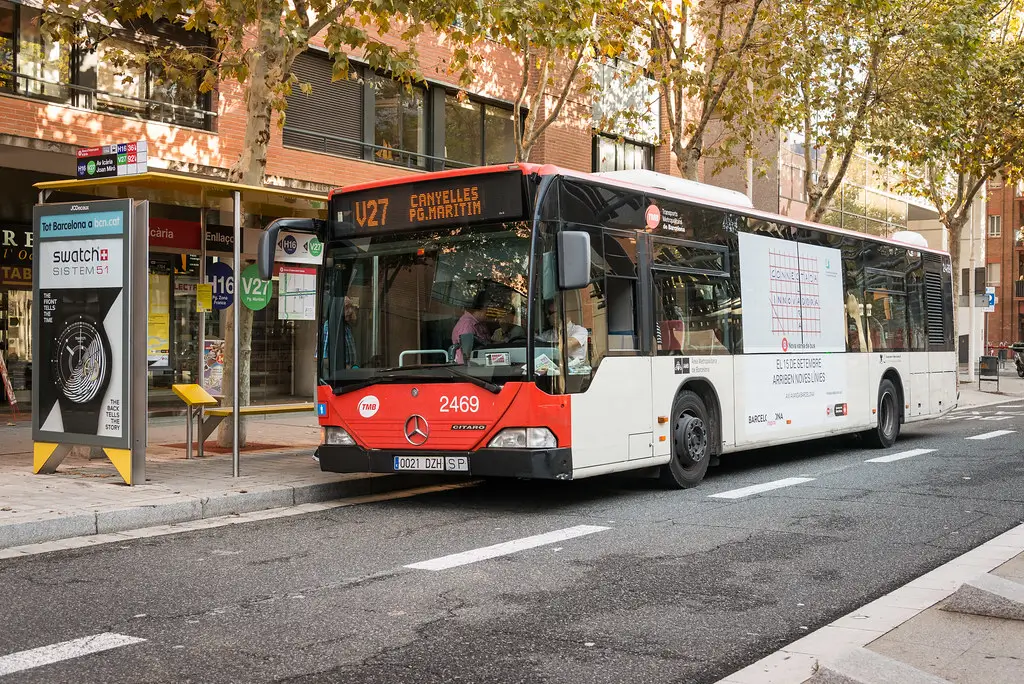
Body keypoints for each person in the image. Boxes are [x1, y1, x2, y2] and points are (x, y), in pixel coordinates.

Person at [452, 291, 492, 363]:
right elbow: (467, 354)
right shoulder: (467, 325)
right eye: (488, 308)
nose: (489, 313)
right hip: (470, 368)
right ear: (481, 308)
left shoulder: (480, 323)